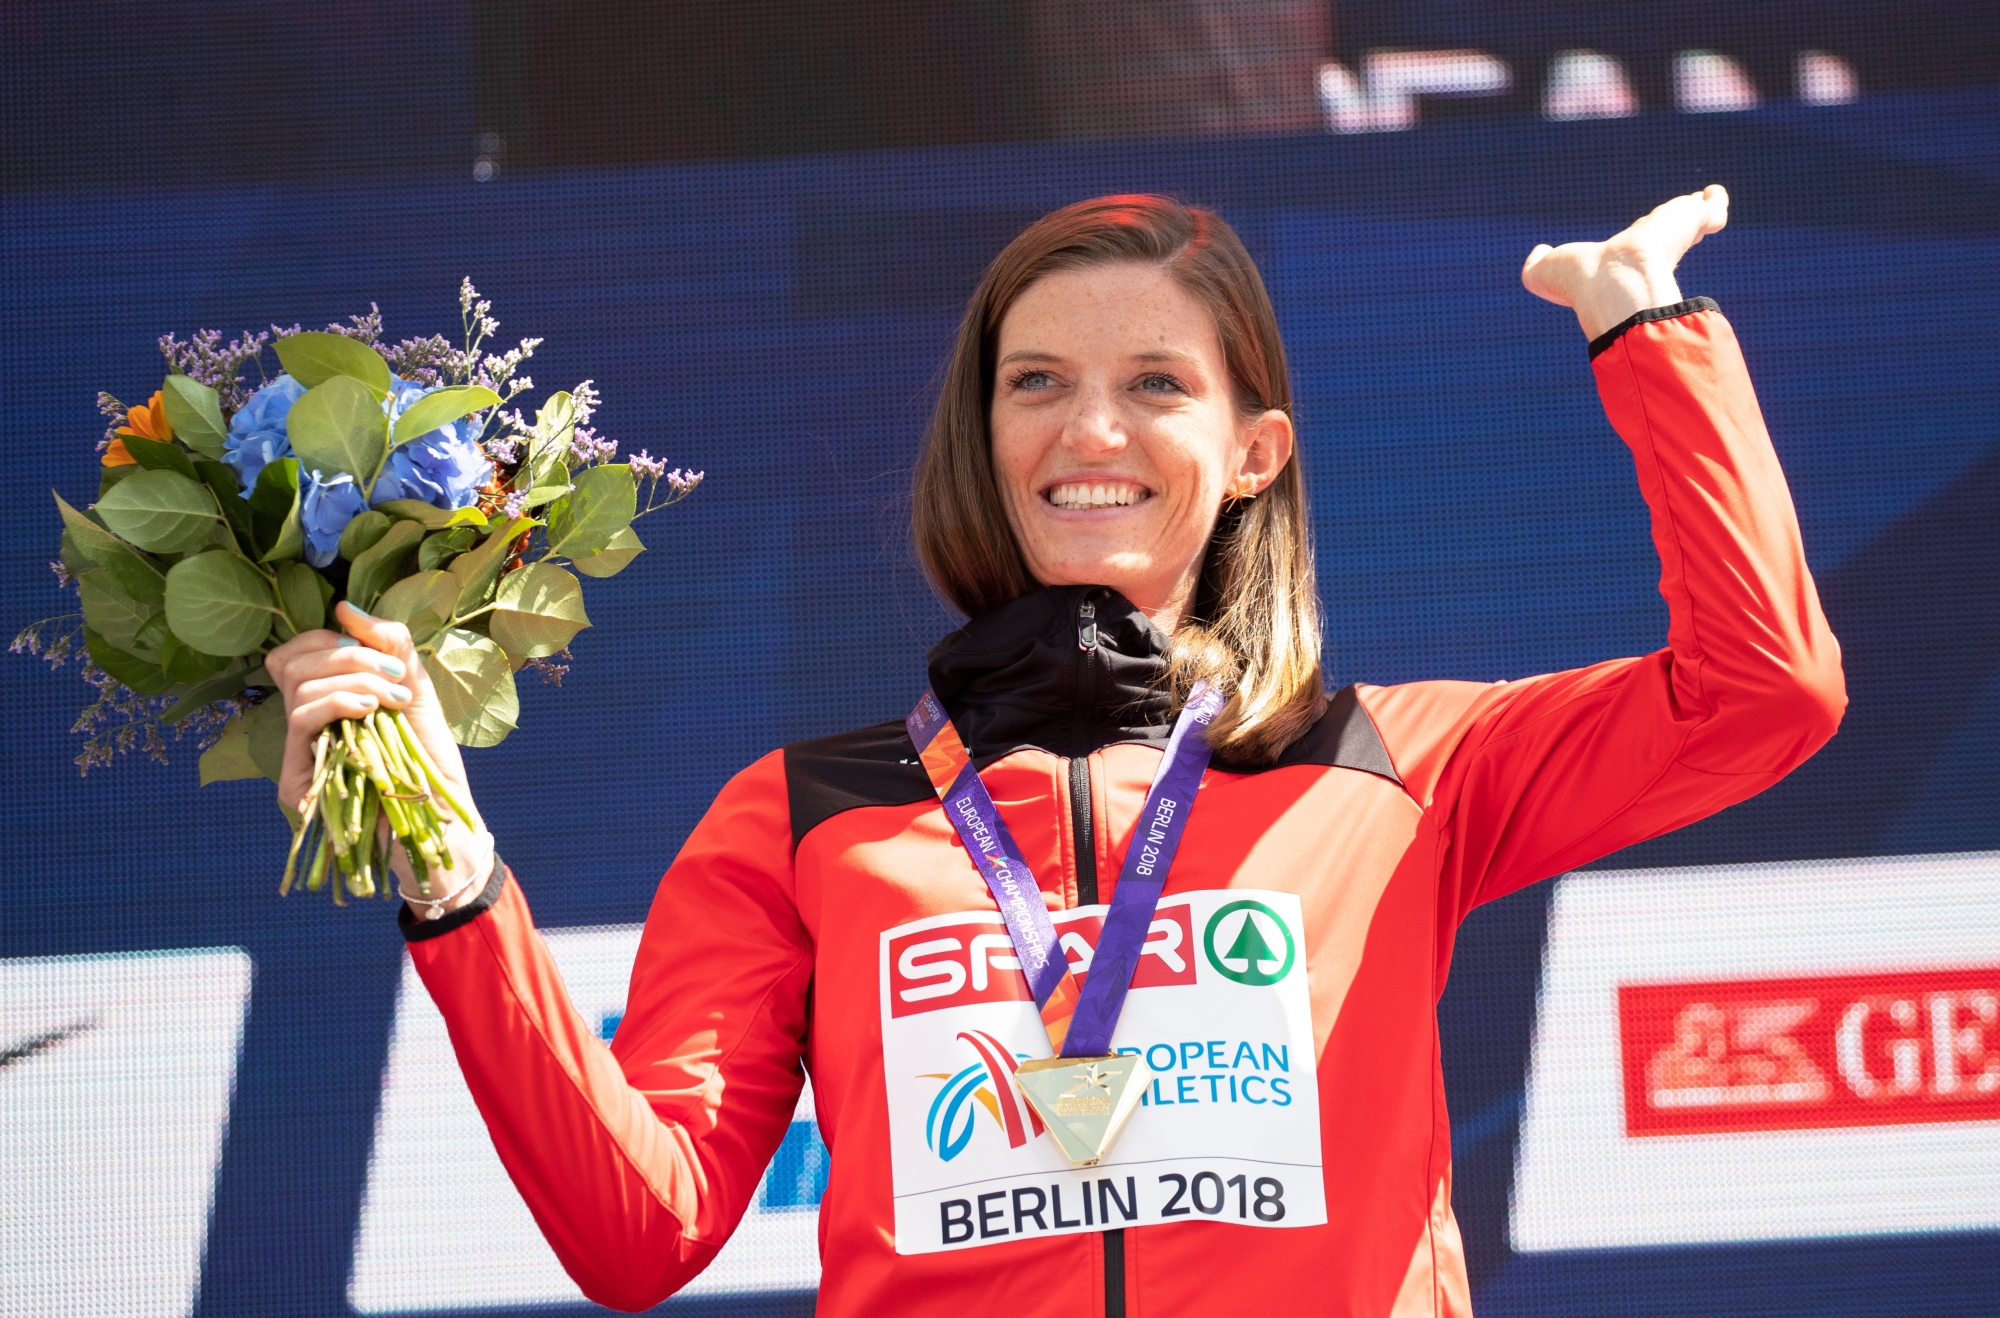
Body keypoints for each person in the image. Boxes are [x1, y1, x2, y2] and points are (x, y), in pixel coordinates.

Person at [268, 186, 1844, 1317]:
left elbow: (1764, 690)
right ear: (988, 439)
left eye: (1155, 384)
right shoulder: (810, 814)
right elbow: (640, 1228)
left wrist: (1649, 335)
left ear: (1253, 455)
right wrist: (457, 880)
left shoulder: (1392, 765)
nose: (1090, 430)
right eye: (1039, 385)